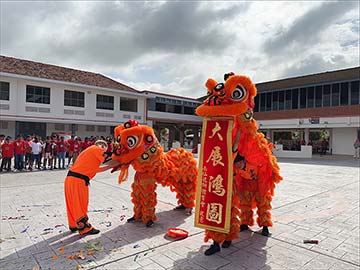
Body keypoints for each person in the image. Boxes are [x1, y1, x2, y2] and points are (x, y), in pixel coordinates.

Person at [64, 140, 118, 235]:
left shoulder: (87, 153)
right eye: (104, 147)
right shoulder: (96, 149)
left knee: (72, 204)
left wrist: (112, 166)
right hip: (78, 181)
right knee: (80, 203)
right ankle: (84, 228)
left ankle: (74, 225)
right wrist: (123, 160)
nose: (104, 149)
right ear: (102, 146)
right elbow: (111, 159)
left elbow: (97, 169)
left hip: (70, 179)